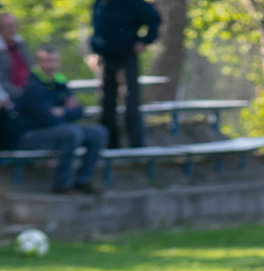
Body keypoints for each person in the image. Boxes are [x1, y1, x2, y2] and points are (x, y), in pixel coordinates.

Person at [14, 45, 108, 194]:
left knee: (99, 133)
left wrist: (62, 111)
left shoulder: (59, 81)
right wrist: (66, 110)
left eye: (54, 61)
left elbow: (79, 110)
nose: (51, 65)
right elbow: (46, 117)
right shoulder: (32, 84)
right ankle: (62, 184)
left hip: (58, 129)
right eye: (47, 61)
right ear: (38, 63)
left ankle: (83, 181)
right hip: (32, 135)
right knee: (71, 133)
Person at [90, 0, 161, 148]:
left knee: (131, 100)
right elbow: (97, 29)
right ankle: (110, 144)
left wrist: (145, 41)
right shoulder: (100, 4)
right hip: (106, 58)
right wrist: (96, 51)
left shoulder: (131, 2)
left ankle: (136, 144)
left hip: (127, 56)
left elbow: (154, 19)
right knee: (107, 103)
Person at [0, 12, 31, 101]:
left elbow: (33, 68)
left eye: (14, 25)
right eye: (8, 26)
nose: (12, 29)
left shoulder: (21, 44)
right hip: (13, 97)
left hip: (32, 90)